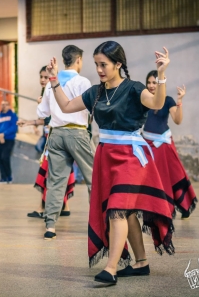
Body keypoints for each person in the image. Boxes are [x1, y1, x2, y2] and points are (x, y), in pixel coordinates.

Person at [46, 41, 173, 285]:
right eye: (96, 64)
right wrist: (54, 81)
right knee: (127, 211)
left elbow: (157, 104)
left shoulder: (134, 89)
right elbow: (65, 106)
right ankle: (141, 262)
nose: (99, 69)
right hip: (106, 155)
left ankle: (111, 268)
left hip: (130, 157)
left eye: (103, 64)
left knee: (117, 210)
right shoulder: (96, 92)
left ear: (118, 64)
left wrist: (162, 74)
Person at [38, 45, 95, 240]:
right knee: (94, 178)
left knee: (55, 181)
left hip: (56, 134)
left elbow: (42, 113)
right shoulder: (83, 81)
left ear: (64, 60)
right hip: (77, 133)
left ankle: (50, 226)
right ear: (78, 60)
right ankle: (98, 221)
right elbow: (90, 109)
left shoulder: (50, 83)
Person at [18, 66, 75, 218]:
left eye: (45, 77)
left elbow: (53, 116)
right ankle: (64, 206)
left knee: (50, 175)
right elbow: (45, 120)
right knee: (57, 174)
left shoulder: (54, 91)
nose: (43, 80)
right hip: (51, 138)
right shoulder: (45, 93)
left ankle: (45, 209)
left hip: (56, 139)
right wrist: (28, 122)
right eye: (41, 77)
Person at [142, 70, 197, 219]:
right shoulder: (144, 100)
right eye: (149, 82)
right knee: (150, 178)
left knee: (172, 176)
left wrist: (180, 101)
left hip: (163, 145)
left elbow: (177, 120)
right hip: (146, 144)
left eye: (155, 82)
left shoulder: (168, 100)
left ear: (161, 82)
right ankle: (155, 208)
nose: (152, 85)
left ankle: (183, 206)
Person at [0, 101, 18, 184]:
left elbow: (14, 127)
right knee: (0, 158)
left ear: (9, 106)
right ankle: (3, 178)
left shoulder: (13, 116)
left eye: (5, 105)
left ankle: (9, 177)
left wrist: (3, 134)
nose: (3, 106)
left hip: (8, 140)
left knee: (5, 157)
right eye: (2, 105)